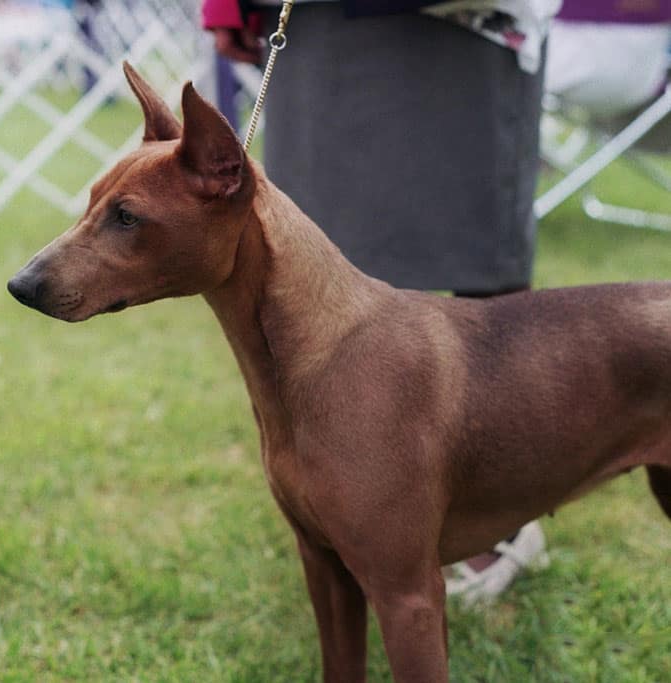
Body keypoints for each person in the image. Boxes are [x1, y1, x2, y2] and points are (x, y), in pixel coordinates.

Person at [202, 0, 556, 603]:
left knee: (483, 255)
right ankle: (345, 506)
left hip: (471, 22)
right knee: (320, 252)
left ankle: (501, 518)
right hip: (326, 23)